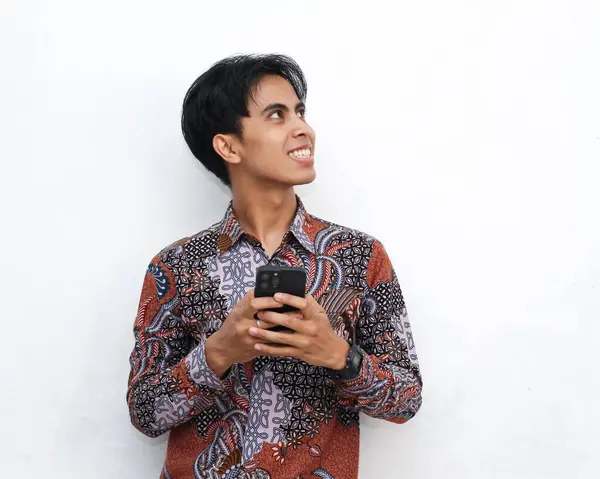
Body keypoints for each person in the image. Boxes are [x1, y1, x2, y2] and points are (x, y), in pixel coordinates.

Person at [127, 54, 423, 479]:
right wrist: (219, 352)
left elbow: (406, 400)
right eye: (277, 115)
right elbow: (144, 414)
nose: (303, 128)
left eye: (300, 112)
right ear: (229, 145)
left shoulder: (359, 256)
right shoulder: (175, 267)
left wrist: (339, 355)